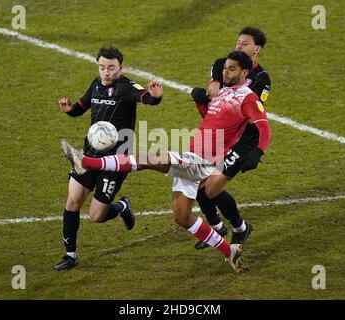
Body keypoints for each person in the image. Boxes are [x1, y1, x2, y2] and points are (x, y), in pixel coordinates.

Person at [59, 51, 271, 273]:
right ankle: (230, 252)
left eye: (231, 69)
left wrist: (258, 151)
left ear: (244, 73)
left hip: (202, 160)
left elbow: (263, 126)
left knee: (148, 158)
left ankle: (85, 162)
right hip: (193, 155)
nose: (225, 72)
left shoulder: (247, 97)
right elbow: (212, 122)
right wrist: (201, 104)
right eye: (225, 67)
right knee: (182, 217)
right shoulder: (224, 93)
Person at [54, 45, 163, 271]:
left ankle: (121, 207)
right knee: (73, 201)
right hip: (89, 155)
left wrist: (154, 97)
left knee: (96, 215)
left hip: (115, 161)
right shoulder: (95, 85)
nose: (106, 73)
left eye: (111, 68)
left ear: (120, 68)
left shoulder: (125, 87)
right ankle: (70, 255)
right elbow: (81, 107)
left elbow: (144, 97)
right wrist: (69, 110)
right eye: (102, 67)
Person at [192, 26, 272, 250]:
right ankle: (217, 228)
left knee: (211, 188)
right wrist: (203, 102)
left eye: (244, 43)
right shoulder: (222, 66)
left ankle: (240, 227)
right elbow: (217, 109)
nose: (239, 45)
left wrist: (257, 150)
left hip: (243, 138)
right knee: (198, 183)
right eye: (238, 42)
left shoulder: (261, 79)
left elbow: (247, 114)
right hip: (222, 134)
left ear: (257, 49)